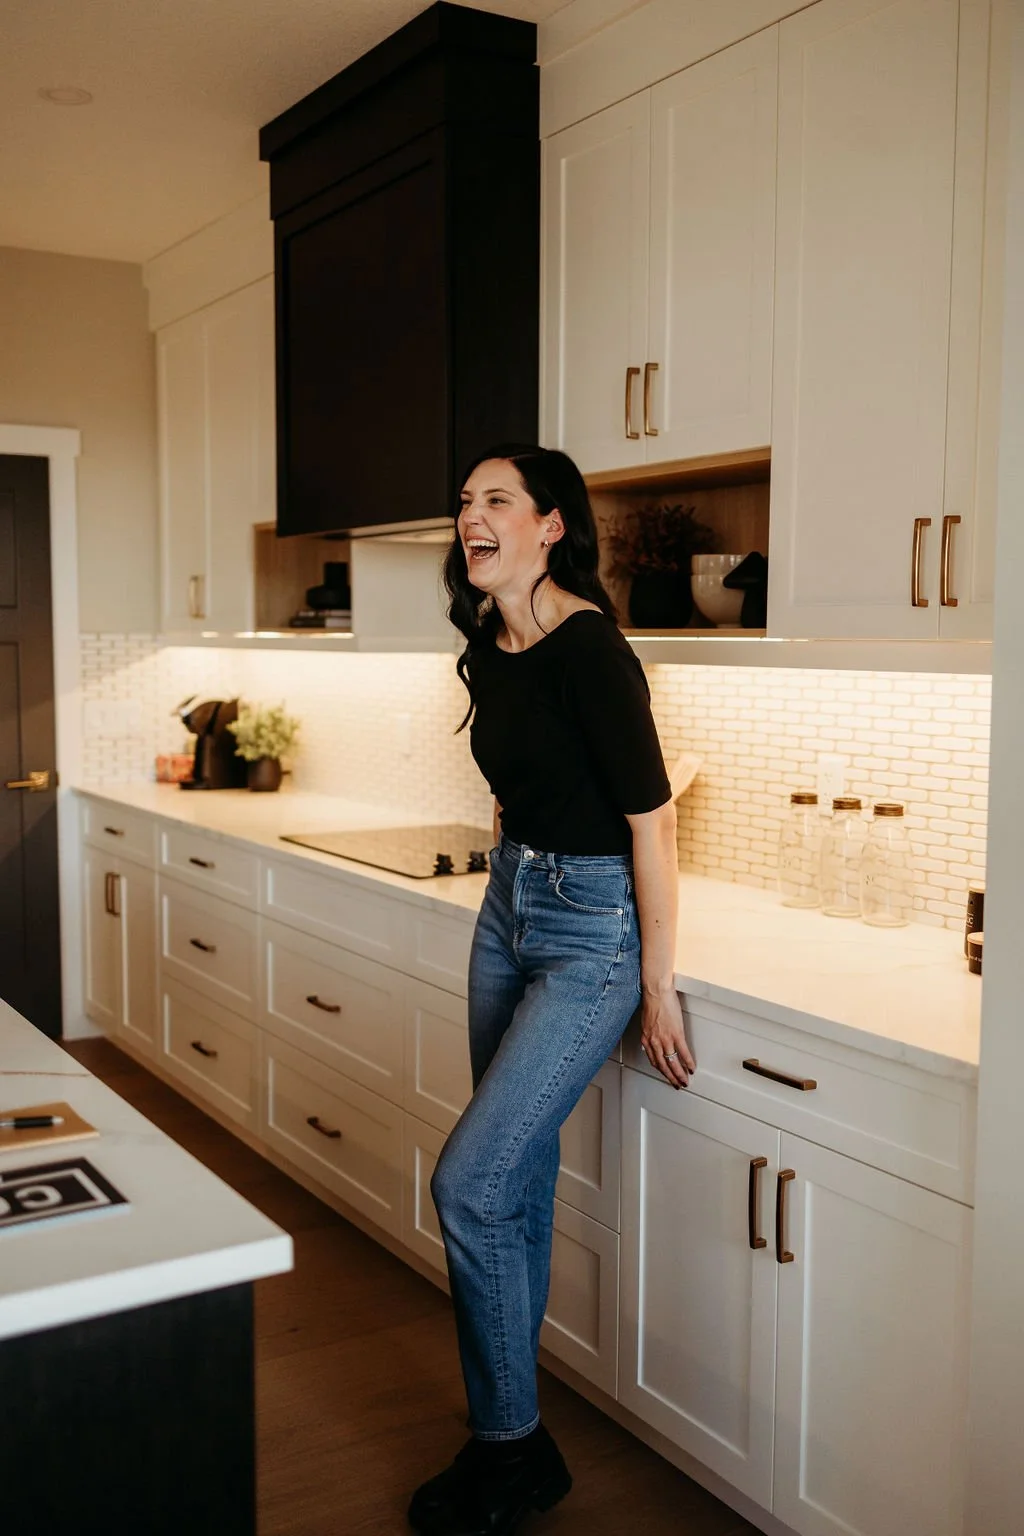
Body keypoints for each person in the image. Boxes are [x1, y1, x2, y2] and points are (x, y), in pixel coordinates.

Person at [408, 445, 695, 1536]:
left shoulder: (591, 651)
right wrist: (512, 872)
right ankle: (511, 1434)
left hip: (591, 936)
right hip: (509, 907)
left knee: (469, 1184)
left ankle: (512, 1449)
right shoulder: (492, 643)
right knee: (513, 1186)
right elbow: (519, 788)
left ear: (551, 525)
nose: (470, 517)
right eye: (464, 503)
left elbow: (651, 823)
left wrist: (654, 985)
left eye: (496, 500)